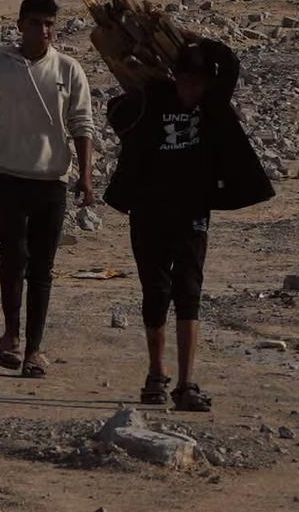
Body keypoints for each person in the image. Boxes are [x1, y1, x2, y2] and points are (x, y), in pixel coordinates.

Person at [102, 36, 267, 413]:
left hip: (192, 210)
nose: (191, 91)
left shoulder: (211, 105)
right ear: (175, 78)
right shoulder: (152, 98)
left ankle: (186, 383)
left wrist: (188, 39)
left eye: (198, 83)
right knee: (155, 292)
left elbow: (230, 63)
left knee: (189, 291)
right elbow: (119, 113)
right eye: (186, 82)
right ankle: (155, 374)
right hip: (148, 210)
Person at [0, 0, 97, 379]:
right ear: (20, 25)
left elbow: (82, 124)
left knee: (42, 266)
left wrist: (86, 177)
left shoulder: (68, 70)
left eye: (49, 24)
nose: (43, 31)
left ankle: (35, 348)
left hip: (51, 181)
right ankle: (11, 335)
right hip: (8, 177)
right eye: (35, 23)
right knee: (12, 257)